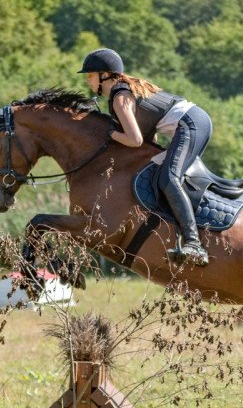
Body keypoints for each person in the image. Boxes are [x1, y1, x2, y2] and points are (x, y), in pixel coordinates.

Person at [78, 48, 211, 266]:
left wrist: (108, 133)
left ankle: (193, 243)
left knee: (168, 179)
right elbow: (148, 137)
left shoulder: (120, 98)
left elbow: (135, 140)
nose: (88, 81)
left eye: (90, 76)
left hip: (192, 124)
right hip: (192, 122)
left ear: (105, 75)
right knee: (156, 174)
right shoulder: (122, 92)